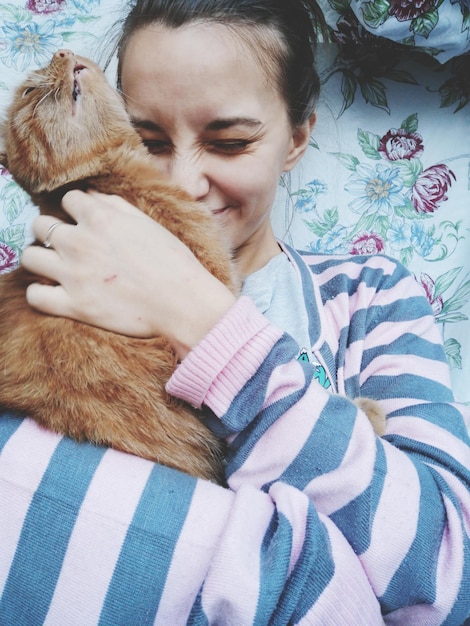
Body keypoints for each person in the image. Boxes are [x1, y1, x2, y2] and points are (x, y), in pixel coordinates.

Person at [1, 0, 469, 623]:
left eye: (230, 142)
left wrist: (200, 318)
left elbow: (446, 574)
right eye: (148, 141)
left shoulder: (369, 295)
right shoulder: (56, 274)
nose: (185, 180)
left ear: (298, 136)